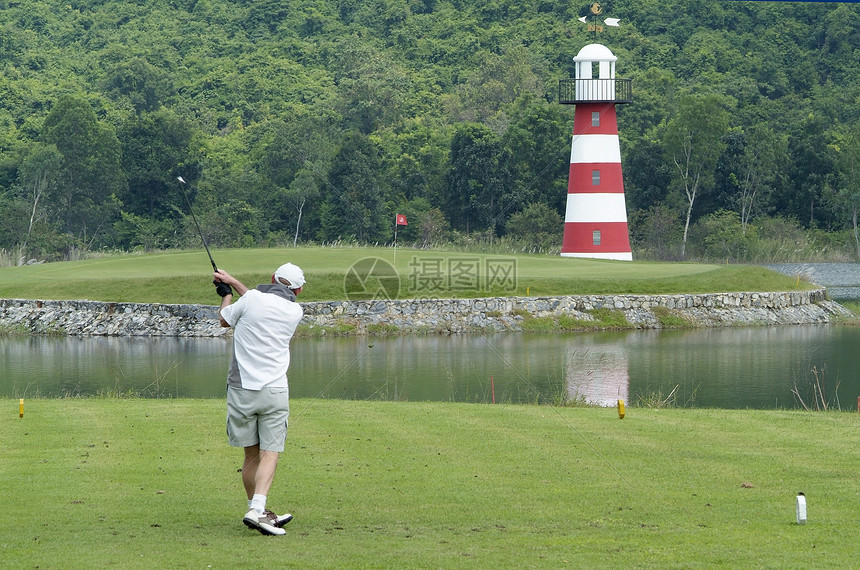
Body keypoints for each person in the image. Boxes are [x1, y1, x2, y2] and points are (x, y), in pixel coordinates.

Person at [213, 262, 305, 536]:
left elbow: (224, 319)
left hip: (241, 389)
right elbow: (256, 298)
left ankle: (256, 510)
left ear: (272, 278)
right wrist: (233, 280)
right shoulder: (295, 310)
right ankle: (259, 511)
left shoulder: (251, 299)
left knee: (251, 455)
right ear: (298, 290)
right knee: (271, 452)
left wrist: (225, 294)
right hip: (275, 391)